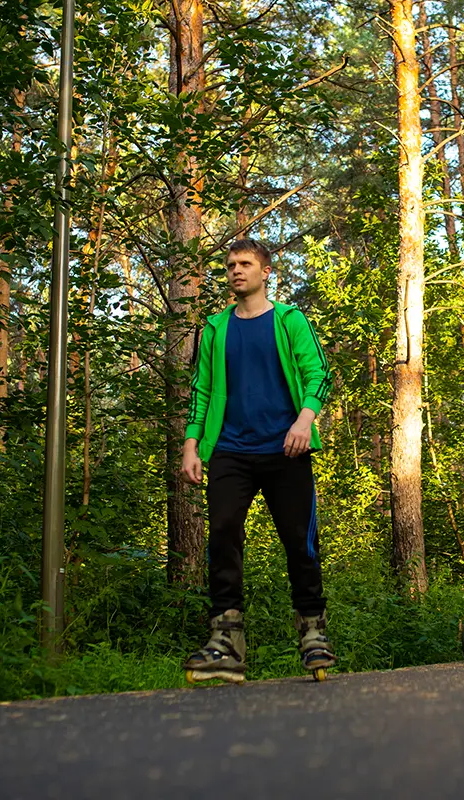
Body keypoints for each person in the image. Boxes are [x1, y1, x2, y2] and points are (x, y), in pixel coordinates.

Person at [180, 238, 336, 683]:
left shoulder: (289, 321)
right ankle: (226, 640)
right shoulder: (214, 328)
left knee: (299, 542)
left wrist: (304, 421)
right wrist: (192, 445)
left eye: (245, 264)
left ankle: (312, 632)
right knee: (223, 537)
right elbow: (202, 391)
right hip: (230, 449)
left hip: (286, 448)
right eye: (230, 265)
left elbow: (317, 373)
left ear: (265, 271)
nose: (236, 270)